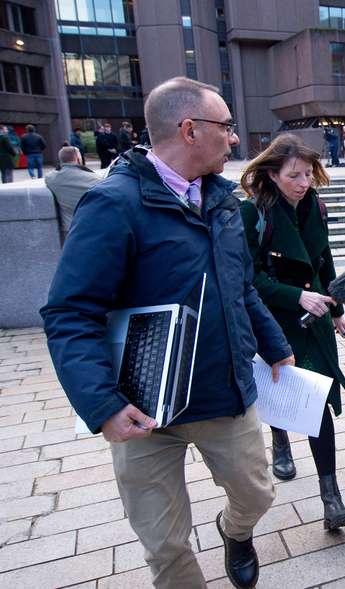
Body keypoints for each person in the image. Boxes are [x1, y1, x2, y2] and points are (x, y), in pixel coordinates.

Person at [41, 76, 294, 589]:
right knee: (165, 543)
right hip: (140, 411)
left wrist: (275, 346)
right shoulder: (113, 204)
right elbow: (70, 312)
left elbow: (242, 286)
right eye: (226, 126)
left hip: (223, 393)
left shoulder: (223, 201)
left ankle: (234, 531)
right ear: (190, 130)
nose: (234, 138)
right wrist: (102, 406)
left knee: (257, 495)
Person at [238, 134, 345, 531]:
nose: (304, 182)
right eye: (294, 175)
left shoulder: (314, 206)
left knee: (317, 401)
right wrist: (296, 297)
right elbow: (247, 279)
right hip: (273, 319)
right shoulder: (250, 213)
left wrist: (335, 309)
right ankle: (281, 439)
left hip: (315, 319)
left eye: (308, 173)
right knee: (282, 387)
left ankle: (331, 497)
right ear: (272, 174)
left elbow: (323, 261)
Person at [44, 146, 100, 235]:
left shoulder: (51, 178)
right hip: (94, 227)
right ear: (78, 158)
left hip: (70, 229)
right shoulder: (96, 179)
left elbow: (50, 174)